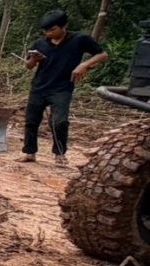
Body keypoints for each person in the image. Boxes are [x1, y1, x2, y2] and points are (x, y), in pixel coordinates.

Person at [21, 11, 107, 166]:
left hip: (62, 88)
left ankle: (59, 154)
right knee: (31, 121)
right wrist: (34, 59)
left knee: (59, 122)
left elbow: (102, 55)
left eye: (52, 30)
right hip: (39, 87)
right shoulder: (40, 43)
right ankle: (29, 153)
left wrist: (84, 65)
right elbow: (28, 66)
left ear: (64, 26)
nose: (48, 33)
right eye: (45, 31)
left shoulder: (79, 39)